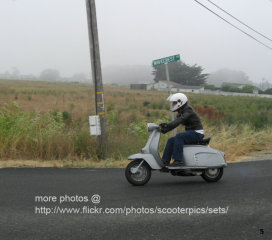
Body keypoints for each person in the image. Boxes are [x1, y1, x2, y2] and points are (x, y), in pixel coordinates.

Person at [160, 93, 204, 167]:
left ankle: (178, 161)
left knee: (179, 136)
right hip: (191, 132)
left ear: (180, 102)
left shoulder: (188, 110)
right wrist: (164, 129)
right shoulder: (181, 111)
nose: (173, 105)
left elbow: (179, 120)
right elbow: (176, 124)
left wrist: (167, 125)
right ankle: (165, 161)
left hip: (197, 133)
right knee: (171, 140)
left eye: (174, 103)